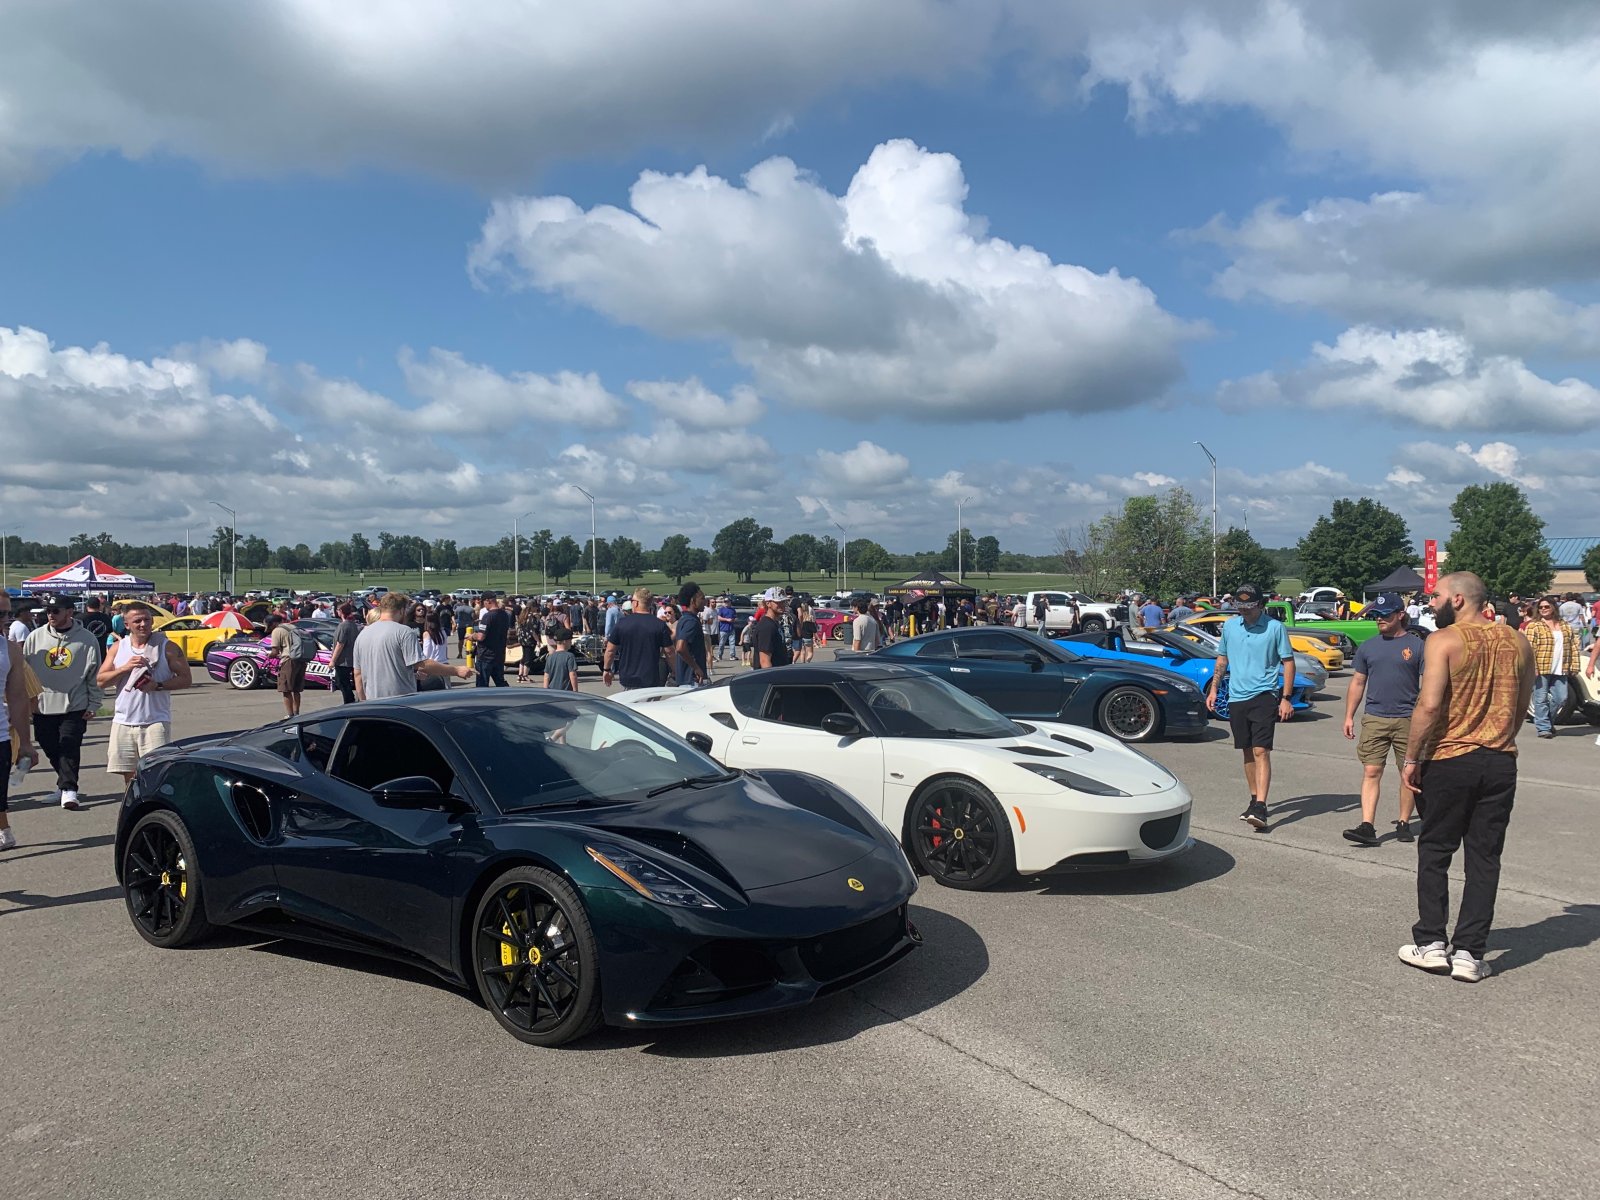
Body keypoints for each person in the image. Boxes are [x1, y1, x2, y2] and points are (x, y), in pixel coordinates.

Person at [1398, 572, 1534, 983]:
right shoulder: (1518, 640)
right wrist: (1497, 735)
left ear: (1457, 600)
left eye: (1436, 595)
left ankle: (1431, 941)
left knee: (1436, 849)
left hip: (1450, 756)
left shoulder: (1444, 640)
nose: (1431, 601)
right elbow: (1523, 702)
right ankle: (1470, 952)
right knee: (1484, 857)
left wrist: (1411, 757)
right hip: (1498, 759)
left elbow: (1428, 705)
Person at [1204, 582, 1295, 830]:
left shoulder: (1275, 628)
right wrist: (1214, 689)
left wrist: (1286, 697)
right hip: (1236, 697)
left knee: (1261, 750)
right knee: (1246, 750)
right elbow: (1222, 658)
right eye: (1240, 606)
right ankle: (1254, 799)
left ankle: (1262, 807)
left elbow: (1288, 662)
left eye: (1249, 607)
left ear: (1261, 605)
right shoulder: (1231, 627)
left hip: (1264, 695)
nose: (1244, 611)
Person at [1340, 593, 1425, 846]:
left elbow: (1429, 684)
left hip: (1407, 718)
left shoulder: (1417, 646)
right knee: (1371, 770)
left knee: (1407, 773)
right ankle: (1367, 826)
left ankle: (1403, 822)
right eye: (1376, 616)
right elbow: (1358, 682)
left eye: (1385, 615)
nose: (1379, 620)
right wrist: (1348, 716)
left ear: (1400, 615)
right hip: (1375, 717)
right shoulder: (1368, 646)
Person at [95, 604, 192, 789]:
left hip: (154, 721)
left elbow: (186, 679)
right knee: (129, 778)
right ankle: (134, 812)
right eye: (137, 621)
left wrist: (158, 685)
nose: (143, 624)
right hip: (123, 721)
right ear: (126, 624)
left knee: (156, 774)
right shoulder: (118, 647)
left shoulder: (167, 647)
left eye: (146, 620)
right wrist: (124, 668)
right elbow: (101, 681)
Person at [23, 599, 104, 811]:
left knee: (69, 744)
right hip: (42, 705)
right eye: (48, 611)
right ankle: (63, 783)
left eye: (55, 610)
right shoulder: (35, 637)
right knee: (48, 744)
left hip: (74, 704)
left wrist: (94, 703)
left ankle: (69, 790)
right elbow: (25, 672)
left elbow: (94, 674)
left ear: (70, 612)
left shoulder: (86, 639)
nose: (50, 615)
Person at [353, 593, 471, 700]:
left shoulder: (362, 635)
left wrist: (363, 701)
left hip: (372, 701)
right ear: (402, 610)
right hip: (400, 700)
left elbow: (358, 673)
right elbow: (422, 664)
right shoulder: (404, 631)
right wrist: (456, 670)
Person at [0, 621, 37, 851]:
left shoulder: (11, 650)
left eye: (5, 612)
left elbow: (25, 697)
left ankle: (4, 832)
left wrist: (26, 742)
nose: (3, 618)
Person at [1524, 595, 1580, 739]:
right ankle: (1543, 728)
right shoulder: (1534, 626)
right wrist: (1532, 666)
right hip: (1541, 667)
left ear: (1553, 607)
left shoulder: (1564, 625)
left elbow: (1573, 646)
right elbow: (1529, 648)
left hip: (1560, 667)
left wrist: (1574, 665)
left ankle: (1547, 721)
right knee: (1541, 698)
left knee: (1562, 698)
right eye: (1541, 607)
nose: (1543, 609)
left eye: (1546, 606)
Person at [603, 586, 671, 689]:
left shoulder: (622, 624)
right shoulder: (659, 625)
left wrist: (607, 670)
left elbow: (610, 650)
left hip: (628, 678)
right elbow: (670, 652)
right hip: (651, 677)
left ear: (636, 603)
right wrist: (675, 672)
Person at [266, 615, 311, 718]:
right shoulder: (292, 627)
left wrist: (269, 655)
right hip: (301, 659)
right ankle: (297, 713)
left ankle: (290, 714)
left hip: (288, 660)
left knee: (285, 689)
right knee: (296, 689)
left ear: (273, 624)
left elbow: (274, 651)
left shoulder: (277, 631)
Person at [471, 595, 512, 687]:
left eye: (483, 602)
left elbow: (481, 636)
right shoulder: (504, 615)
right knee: (500, 681)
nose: (483, 605)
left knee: (482, 683)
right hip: (499, 654)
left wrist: (472, 636)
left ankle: (482, 700)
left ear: (488, 601)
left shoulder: (487, 616)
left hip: (485, 655)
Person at [673, 583, 709, 687]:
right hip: (691, 680)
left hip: (686, 679)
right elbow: (680, 647)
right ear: (693, 601)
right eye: (702, 598)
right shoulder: (691, 621)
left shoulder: (684, 619)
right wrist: (696, 668)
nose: (705, 601)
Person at [750, 588, 792, 670]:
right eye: (778, 602)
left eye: (783, 601)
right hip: (770, 679)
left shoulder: (775, 624)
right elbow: (765, 661)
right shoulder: (767, 627)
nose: (782, 604)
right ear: (768, 603)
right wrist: (772, 680)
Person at [328, 603, 362, 703]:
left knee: (342, 682)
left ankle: (349, 701)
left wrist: (332, 661)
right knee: (346, 682)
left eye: (338, 610)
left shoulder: (343, 626)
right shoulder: (353, 625)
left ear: (341, 612)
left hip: (343, 660)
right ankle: (351, 699)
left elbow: (340, 644)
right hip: (352, 659)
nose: (337, 611)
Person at [543, 625, 579, 691]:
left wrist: (546, 691)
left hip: (552, 692)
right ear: (565, 641)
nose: (571, 642)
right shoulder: (569, 656)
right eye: (570, 640)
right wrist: (575, 690)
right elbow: (572, 674)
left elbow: (546, 676)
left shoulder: (550, 657)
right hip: (566, 692)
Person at [714, 595, 737, 661]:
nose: (726, 602)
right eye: (725, 601)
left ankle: (732, 656)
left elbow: (735, 617)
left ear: (730, 602)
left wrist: (733, 620)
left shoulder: (732, 610)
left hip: (731, 628)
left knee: (732, 643)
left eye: (727, 601)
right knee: (722, 643)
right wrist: (727, 619)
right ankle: (719, 655)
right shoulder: (721, 609)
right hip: (723, 629)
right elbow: (719, 618)